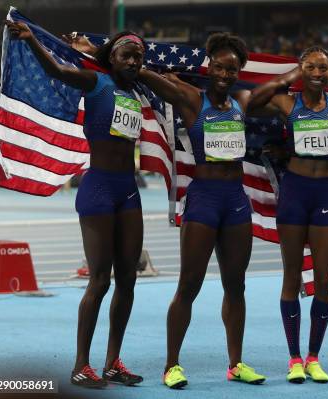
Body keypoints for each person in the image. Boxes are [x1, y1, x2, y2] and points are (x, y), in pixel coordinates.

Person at [5, 21, 147, 388]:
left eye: (138, 56)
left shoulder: (140, 92)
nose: (133, 61)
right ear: (111, 58)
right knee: (100, 279)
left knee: (128, 279)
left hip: (128, 192)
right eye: (126, 54)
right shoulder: (95, 82)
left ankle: (113, 362)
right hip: (99, 187)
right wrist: (32, 39)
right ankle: (81, 365)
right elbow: (56, 70)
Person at [134, 33, 267, 388]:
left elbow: (283, 92)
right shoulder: (192, 99)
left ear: (239, 71)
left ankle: (236, 364)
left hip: (236, 201)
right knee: (188, 285)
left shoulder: (242, 101)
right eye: (219, 67)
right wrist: (108, 52)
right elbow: (145, 74)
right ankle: (172, 365)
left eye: (232, 69)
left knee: (235, 286)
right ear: (209, 68)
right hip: (204, 199)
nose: (225, 73)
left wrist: (303, 70)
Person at [247, 46, 328, 383]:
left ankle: (314, 356)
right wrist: (290, 76)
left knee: (322, 280)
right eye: (311, 67)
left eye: (324, 68)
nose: (318, 73)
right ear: (302, 69)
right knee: (291, 276)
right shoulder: (287, 102)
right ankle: (293, 358)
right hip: (294, 193)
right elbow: (255, 103)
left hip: (325, 194)